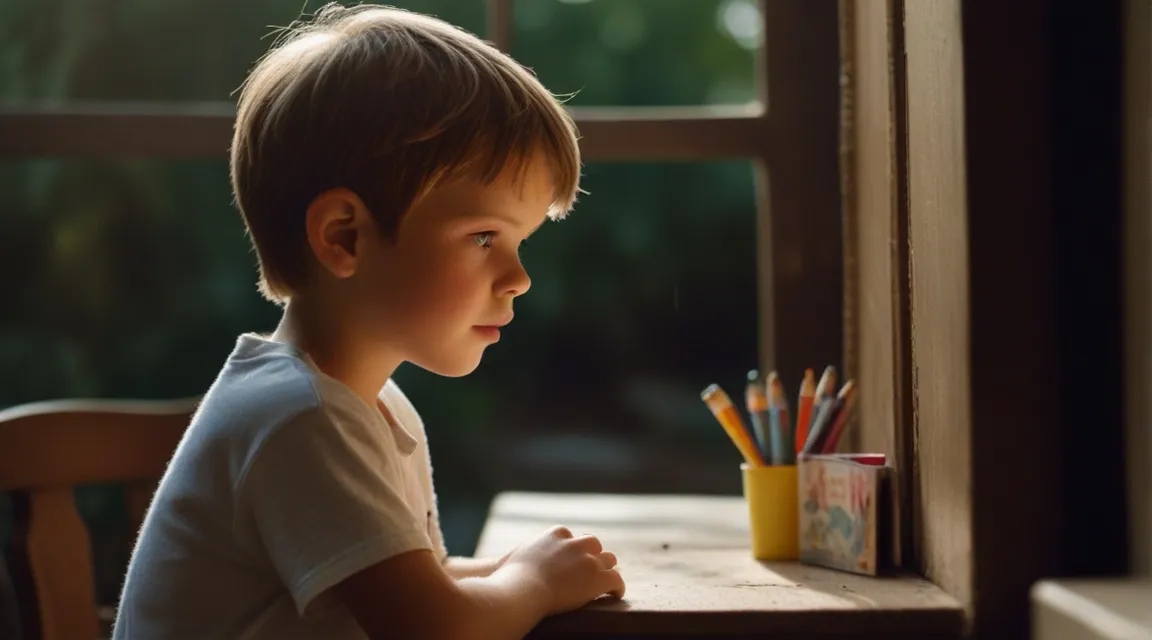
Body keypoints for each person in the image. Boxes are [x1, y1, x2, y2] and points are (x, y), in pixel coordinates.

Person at [112, 4, 624, 638]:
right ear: (345, 237)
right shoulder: (300, 419)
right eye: (486, 237)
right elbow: (436, 628)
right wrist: (535, 583)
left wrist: (514, 570)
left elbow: (410, 584)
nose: (519, 278)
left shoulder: (369, 405)